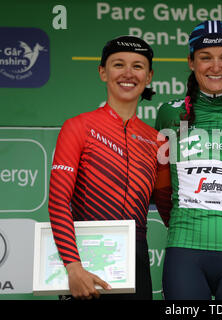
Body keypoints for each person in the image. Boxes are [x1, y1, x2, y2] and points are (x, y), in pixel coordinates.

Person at [48, 35, 172, 300]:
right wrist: (72, 265)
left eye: (138, 66)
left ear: (149, 76)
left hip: (136, 260)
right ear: (103, 72)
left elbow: (168, 209)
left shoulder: (158, 140)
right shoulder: (78, 127)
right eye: (118, 64)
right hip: (84, 259)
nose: (128, 73)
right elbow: (59, 201)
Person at [155, 20, 222, 300]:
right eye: (205, 57)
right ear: (191, 62)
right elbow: (161, 187)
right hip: (185, 249)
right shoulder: (170, 113)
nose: (216, 67)